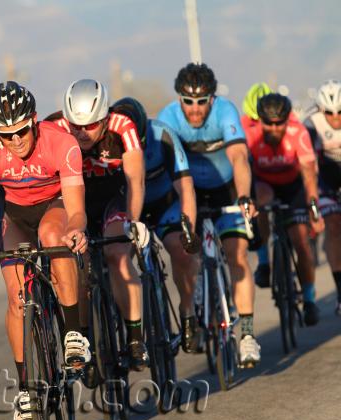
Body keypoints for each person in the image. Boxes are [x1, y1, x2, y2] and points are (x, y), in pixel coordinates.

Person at [0, 81, 90, 420]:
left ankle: (72, 333)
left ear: (33, 120)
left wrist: (76, 230)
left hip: (56, 206)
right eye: (6, 135)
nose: (16, 140)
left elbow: (77, 211)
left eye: (21, 130)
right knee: (18, 298)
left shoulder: (61, 143)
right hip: (15, 215)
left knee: (52, 235)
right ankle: (25, 389)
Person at [157, 63, 261, 367]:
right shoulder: (168, 119)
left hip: (226, 189)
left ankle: (247, 335)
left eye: (202, 101)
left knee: (237, 254)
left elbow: (239, 156)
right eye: (188, 101)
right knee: (184, 252)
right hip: (187, 192)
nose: (195, 109)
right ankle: (189, 312)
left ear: (212, 100)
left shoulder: (225, 112)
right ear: (179, 100)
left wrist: (244, 196)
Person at [45, 79, 150, 372]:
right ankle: (85, 337)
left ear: (104, 117)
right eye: (75, 126)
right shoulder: (54, 128)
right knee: (79, 268)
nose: (82, 133)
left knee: (117, 254)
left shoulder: (122, 126)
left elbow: (135, 181)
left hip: (112, 200)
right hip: (75, 203)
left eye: (90, 126)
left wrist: (133, 221)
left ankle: (134, 337)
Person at [115, 97, 202, 353]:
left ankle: (187, 312)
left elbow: (185, 187)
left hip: (165, 205)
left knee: (182, 252)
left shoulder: (163, 134)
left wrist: (190, 230)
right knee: (115, 260)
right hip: (131, 209)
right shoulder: (109, 141)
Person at [246, 93, 325, 325]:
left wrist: (313, 208)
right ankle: (264, 263)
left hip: (294, 187)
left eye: (279, 123)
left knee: (301, 241)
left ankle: (309, 299)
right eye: (268, 123)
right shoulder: (250, 136)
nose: (273, 128)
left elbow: (309, 175)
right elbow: (243, 172)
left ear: (287, 120)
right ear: (259, 120)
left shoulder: (298, 133)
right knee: (260, 202)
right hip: (265, 184)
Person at [304, 79, 341, 315]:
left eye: (340, 113)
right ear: (320, 109)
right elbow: (307, 163)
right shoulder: (311, 123)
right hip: (325, 179)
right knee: (334, 225)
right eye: (330, 113)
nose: (336, 118)